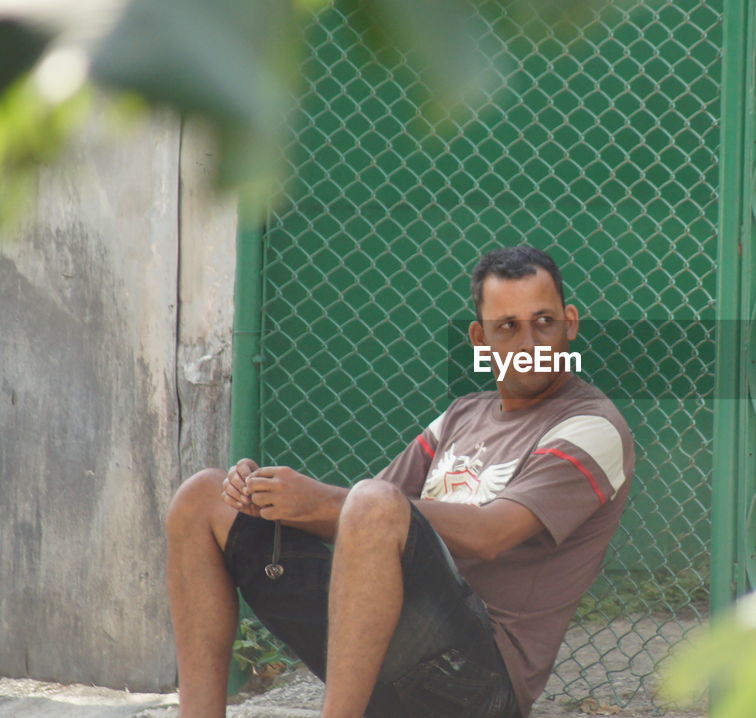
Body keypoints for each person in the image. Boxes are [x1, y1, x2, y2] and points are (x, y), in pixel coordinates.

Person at [165, 245, 635, 718]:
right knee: (203, 497)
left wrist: (321, 500)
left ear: (570, 323)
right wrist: (268, 499)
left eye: (544, 322)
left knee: (373, 501)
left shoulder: (591, 426)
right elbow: (361, 524)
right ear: (480, 338)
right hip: (386, 643)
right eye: (508, 327)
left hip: (478, 680)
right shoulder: (462, 415)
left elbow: (491, 534)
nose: (530, 343)